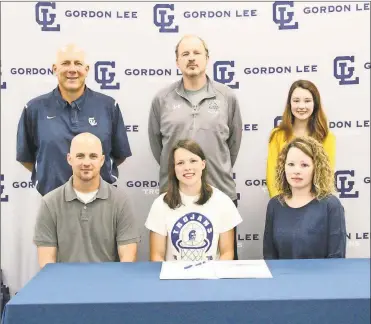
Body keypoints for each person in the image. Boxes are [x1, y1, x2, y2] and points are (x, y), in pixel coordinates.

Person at [148, 35, 242, 259]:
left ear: (207, 58)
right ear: (177, 61)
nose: (191, 59)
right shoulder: (162, 99)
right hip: (174, 196)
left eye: (197, 53)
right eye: (185, 54)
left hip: (220, 193)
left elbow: (233, 145)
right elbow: (157, 146)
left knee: (224, 268)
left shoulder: (226, 97)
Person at [16, 43, 131, 196]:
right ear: (54, 69)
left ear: (87, 70)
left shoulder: (108, 106)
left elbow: (118, 154)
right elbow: (26, 157)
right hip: (52, 201)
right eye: (65, 63)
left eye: (78, 64)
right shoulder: (34, 109)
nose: (72, 69)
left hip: (100, 201)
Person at [33, 133, 139, 268]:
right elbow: (46, 263)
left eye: (93, 156)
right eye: (80, 156)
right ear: (69, 159)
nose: (86, 163)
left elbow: (128, 259)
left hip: (108, 285)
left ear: (102, 160)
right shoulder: (49, 203)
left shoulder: (120, 201)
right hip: (65, 286)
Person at [145, 139, 243, 262]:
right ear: (174, 168)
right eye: (180, 163)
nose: (187, 167)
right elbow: (157, 256)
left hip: (211, 278)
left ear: (203, 164)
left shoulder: (223, 202)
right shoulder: (160, 204)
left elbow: (227, 253)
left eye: (193, 161)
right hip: (174, 279)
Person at [263, 136, 346, 259]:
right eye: (291, 164)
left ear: (316, 168)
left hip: (319, 277)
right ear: (283, 167)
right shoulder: (275, 204)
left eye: (304, 165)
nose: (296, 171)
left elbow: (336, 257)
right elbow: (269, 256)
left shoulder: (331, 205)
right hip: (282, 277)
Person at [266, 79, 335, 197]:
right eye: (296, 101)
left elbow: (326, 175)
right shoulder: (278, 135)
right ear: (290, 104)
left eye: (307, 101)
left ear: (315, 104)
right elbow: (272, 174)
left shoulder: (326, 136)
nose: (301, 106)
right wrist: (283, 203)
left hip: (316, 203)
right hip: (284, 203)